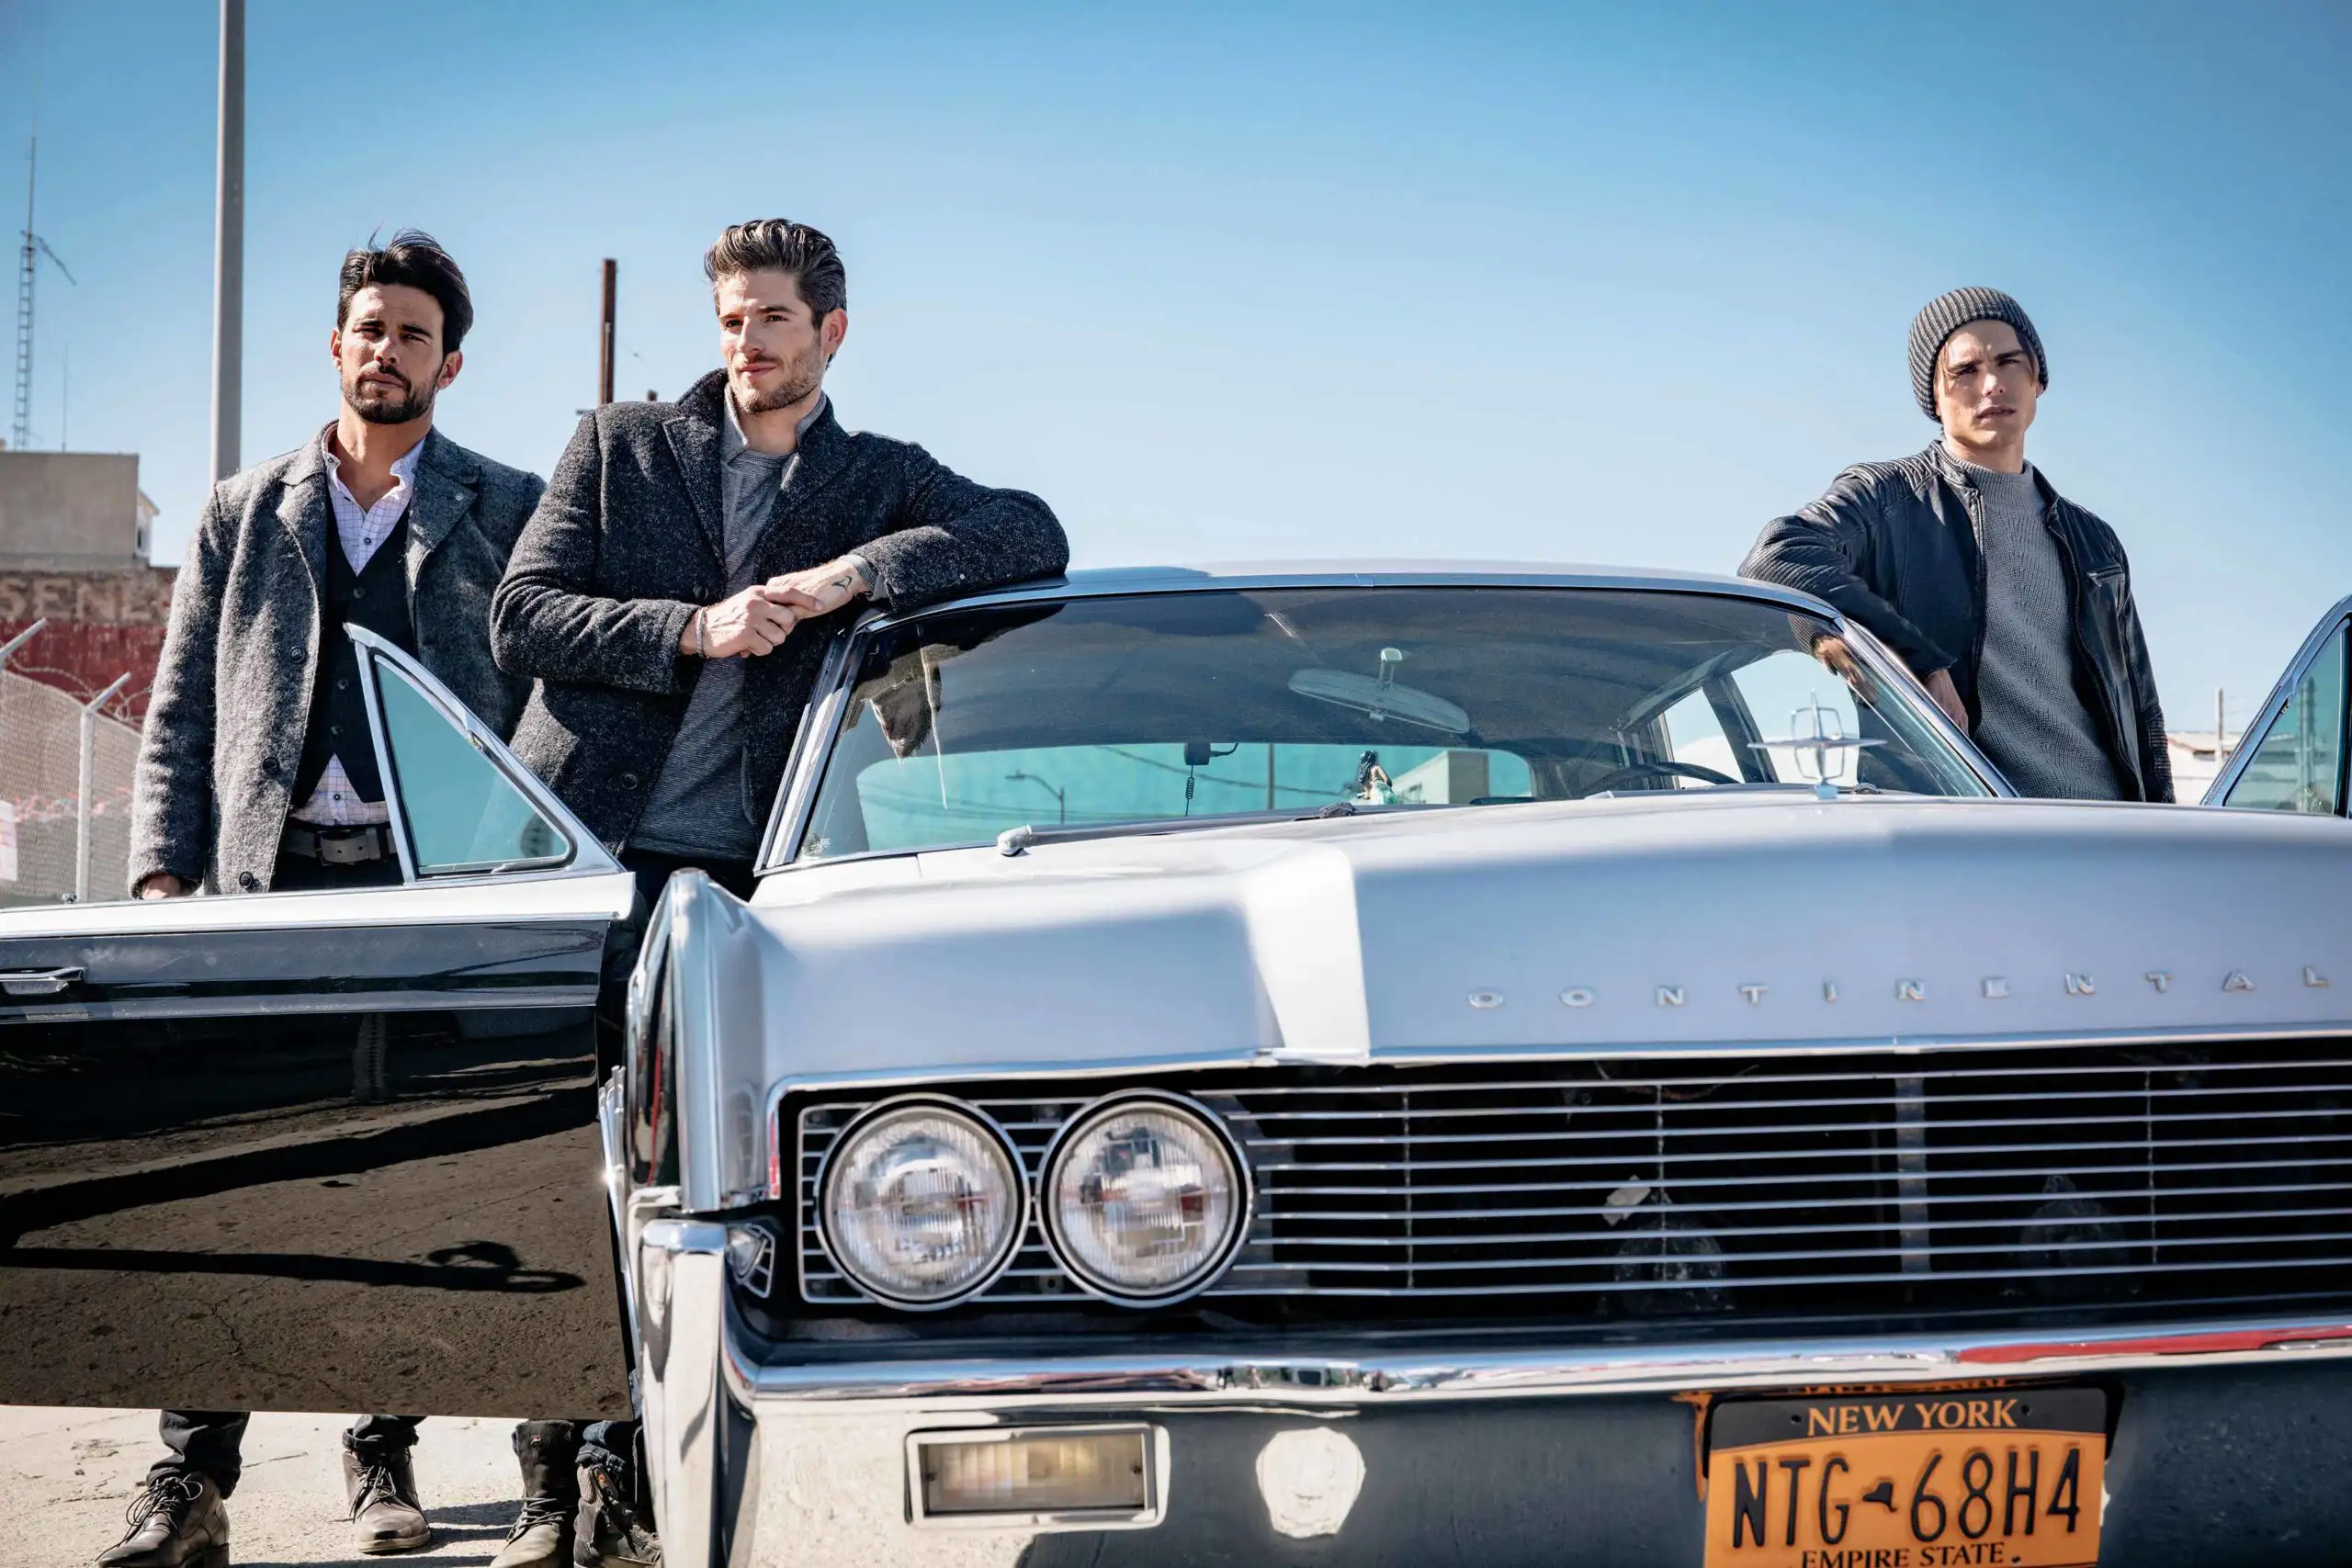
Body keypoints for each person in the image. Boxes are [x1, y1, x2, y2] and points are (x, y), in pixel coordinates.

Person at [489, 217, 1067, 1563]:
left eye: (771, 321)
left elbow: (1029, 531)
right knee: (570, 1165)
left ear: (831, 334)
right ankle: (552, 1475)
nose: (745, 344)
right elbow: (523, 613)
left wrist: (852, 574)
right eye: (731, 320)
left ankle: (645, 1472)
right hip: (586, 852)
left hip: (761, 879)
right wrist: (693, 625)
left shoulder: (874, 477)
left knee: (709, 1175)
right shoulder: (621, 446)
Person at [108, 233, 543, 1565]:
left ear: (449, 362)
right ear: (335, 343)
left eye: (413, 334)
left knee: (404, 1177)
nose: (386, 350)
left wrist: (526, 867)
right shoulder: (246, 509)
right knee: (232, 1175)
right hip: (269, 876)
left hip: (432, 890)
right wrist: (160, 871)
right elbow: (182, 704)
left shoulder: (507, 502)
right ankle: (188, 1478)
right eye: (368, 326)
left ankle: (380, 1454)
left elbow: (536, 705)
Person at [1740, 286, 2172, 803]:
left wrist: (2168, 830)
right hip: (1969, 829)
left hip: (2107, 826)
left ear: (2037, 380)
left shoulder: (2094, 541)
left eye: (2009, 362)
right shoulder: (1889, 501)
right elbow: (1777, 556)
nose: (1992, 384)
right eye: (1965, 372)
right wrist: (1916, 659)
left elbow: (2141, 711)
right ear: (1936, 399)